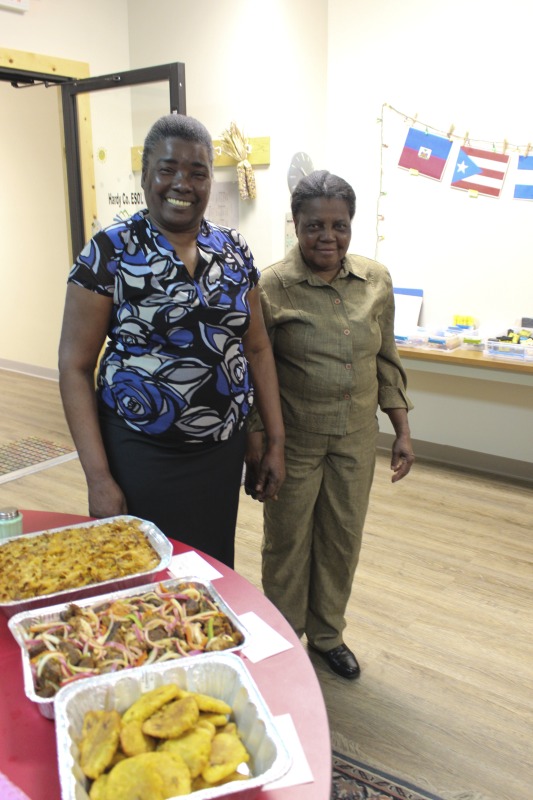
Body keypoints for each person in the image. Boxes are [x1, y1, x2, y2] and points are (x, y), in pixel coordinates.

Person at [58, 113, 285, 569]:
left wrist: (273, 438)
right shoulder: (110, 251)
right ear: (145, 176)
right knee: (140, 576)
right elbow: (75, 367)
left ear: (209, 182)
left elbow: (257, 348)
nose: (182, 183)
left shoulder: (233, 249)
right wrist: (98, 476)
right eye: (167, 169)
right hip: (140, 453)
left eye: (197, 172)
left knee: (207, 572)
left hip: (220, 453)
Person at [245, 170, 414, 678]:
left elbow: (387, 359)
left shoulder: (376, 280)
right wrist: (258, 445)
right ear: (295, 225)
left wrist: (401, 429)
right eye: (314, 225)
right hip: (292, 438)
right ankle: (283, 633)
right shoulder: (271, 286)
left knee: (342, 537)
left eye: (339, 225)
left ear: (351, 226)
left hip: (357, 437)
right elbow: (255, 367)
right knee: (288, 540)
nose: (327, 236)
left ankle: (326, 635)